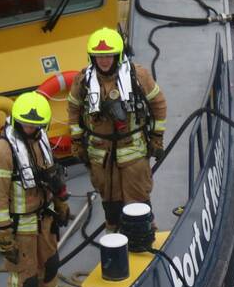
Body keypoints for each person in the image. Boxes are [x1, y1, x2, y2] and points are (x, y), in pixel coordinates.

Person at [0, 92, 78, 287]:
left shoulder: (40, 141)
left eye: (36, 125)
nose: (31, 129)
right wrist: (5, 233)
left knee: (49, 266)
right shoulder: (3, 151)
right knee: (25, 278)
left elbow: (50, 177)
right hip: (21, 225)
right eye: (27, 124)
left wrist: (61, 204)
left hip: (45, 217)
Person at [67, 27, 167, 231]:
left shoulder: (138, 76)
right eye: (99, 56)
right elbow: (73, 110)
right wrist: (77, 142)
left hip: (133, 150)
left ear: (118, 55)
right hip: (100, 154)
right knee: (110, 200)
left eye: (109, 56)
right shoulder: (83, 81)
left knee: (138, 197)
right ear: (92, 57)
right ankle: (114, 234)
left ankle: (144, 233)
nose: (104, 61)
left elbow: (158, 105)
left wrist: (157, 137)